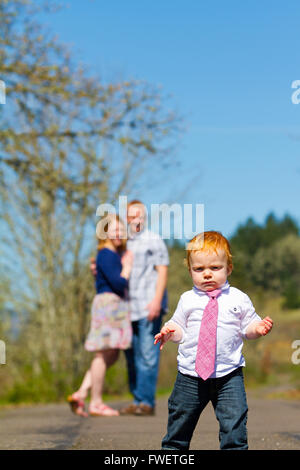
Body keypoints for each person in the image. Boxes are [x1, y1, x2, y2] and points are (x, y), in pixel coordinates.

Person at [154, 231, 273, 450]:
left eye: (215, 268)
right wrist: (170, 331)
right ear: (190, 271)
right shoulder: (187, 299)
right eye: (199, 269)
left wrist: (258, 328)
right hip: (190, 376)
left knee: (234, 426)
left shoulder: (238, 297)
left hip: (229, 375)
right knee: (179, 426)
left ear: (228, 268)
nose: (207, 274)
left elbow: (248, 326)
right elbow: (180, 327)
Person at [68, 214, 133, 417]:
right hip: (109, 304)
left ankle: (81, 393)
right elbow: (119, 283)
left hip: (112, 304)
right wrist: (128, 267)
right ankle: (95, 402)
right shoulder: (106, 253)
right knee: (103, 353)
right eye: (114, 229)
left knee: (110, 354)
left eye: (121, 229)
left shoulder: (110, 255)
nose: (119, 233)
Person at [120, 200, 169, 416]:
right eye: (131, 216)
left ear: (144, 217)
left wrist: (157, 300)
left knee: (148, 355)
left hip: (148, 304)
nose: (135, 219)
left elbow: (162, 270)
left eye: (139, 215)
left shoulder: (153, 240)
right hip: (127, 308)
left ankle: (147, 403)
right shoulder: (122, 243)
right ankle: (137, 398)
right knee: (132, 356)